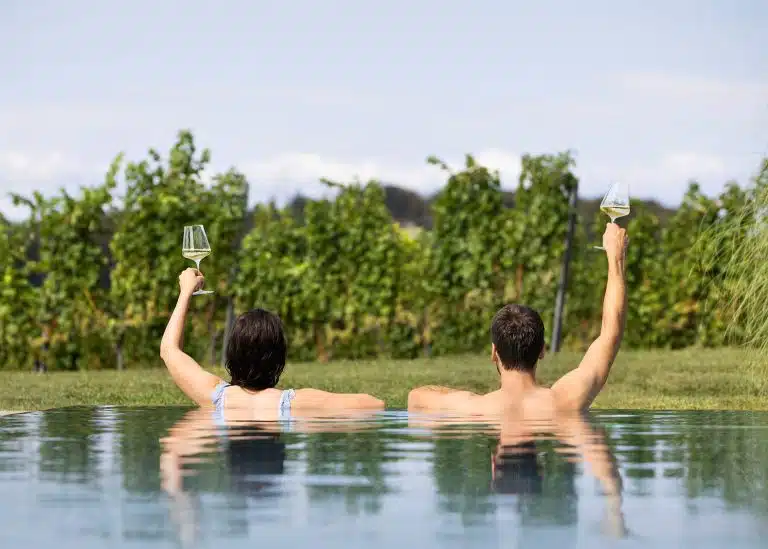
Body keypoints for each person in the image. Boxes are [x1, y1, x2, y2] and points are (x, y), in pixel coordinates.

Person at [408, 223, 629, 414]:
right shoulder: (566, 400)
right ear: (542, 350)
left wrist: (460, 396)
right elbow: (610, 334)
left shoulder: (473, 407)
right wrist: (616, 258)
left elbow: (415, 397)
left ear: (494, 353)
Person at [160, 268, 385, 415]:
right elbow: (375, 405)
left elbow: (169, 350)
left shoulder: (213, 396)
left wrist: (185, 292)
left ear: (233, 353)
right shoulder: (294, 403)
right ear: (280, 357)